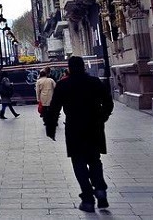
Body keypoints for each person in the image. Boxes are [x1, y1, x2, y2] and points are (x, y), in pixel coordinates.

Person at [44, 56, 114, 213]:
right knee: (95, 159)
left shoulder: (64, 85)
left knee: (78, 161)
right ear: (83, 67)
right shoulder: (95, 82)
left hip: (74, 128)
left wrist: (51, 128)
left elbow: (54, 108)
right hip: (94, 127)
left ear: (69, 68)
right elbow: (108, 102)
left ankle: (88, 199)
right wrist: (102, 117)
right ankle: (100, 190)